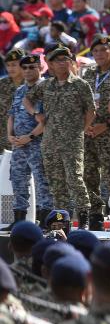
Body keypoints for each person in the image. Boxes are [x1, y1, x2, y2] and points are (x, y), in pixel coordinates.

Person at [25, 44, 94, 224]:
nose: (62, 63)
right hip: (50, 142)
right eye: (58, 60)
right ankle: (61, 218)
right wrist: (35, 114)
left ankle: (84, 216)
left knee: (75, 179)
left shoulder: (80, 84)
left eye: (66, 59)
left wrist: (82, 130)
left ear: (71, 62)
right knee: (56, 183)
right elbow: (27, 100)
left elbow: (90, 111)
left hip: (72, 142)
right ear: (51, 64)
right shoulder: (46, 85)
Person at [79, 36, 110, 228]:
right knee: (89, 174)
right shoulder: (89, 74)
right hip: (89, 132)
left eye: (103, 49)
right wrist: (87, 126)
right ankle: (95, 214)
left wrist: (105, 125)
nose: (98, 54)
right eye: (95, 51)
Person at [8, 53, 53, 224]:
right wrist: (10, 135)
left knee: (42, 183)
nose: (27, 70)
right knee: (18, 181)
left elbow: (46, 119)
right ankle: (19, 220)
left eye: (32, 67)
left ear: (41, 68)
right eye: (24, 67)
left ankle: (44, 221)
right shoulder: (20, 90)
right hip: (18, 144)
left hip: (37, 143)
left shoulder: (46, 89)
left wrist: (31, 136)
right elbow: (11, 115)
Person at [0, 48, 26, 153]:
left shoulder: (33, 85)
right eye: (8, 65)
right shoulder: (2, 84)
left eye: (14, 65)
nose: (10, 68)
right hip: (3, 140)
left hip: (25, 140)